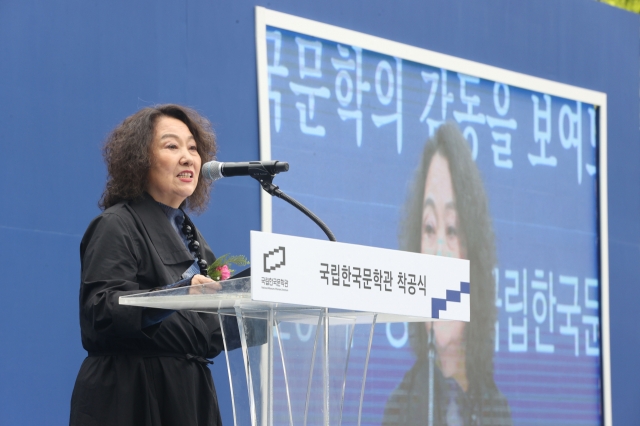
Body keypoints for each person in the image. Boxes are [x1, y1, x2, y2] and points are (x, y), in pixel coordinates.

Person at [70, 104, 226, 426]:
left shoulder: (190, 234)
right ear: (140, 159)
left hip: (189, 395)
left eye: (194, 148)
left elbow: (208, 334)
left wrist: (265, 302)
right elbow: (102, 311)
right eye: (172, 146)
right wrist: (179, 294)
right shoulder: (116, 224)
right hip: (133, 395)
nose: (188, 158)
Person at [383, 123, 512, 426]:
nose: (438, 251)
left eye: (452, 229)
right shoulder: (400, 408)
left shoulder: (497, 409)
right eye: (429, 228)